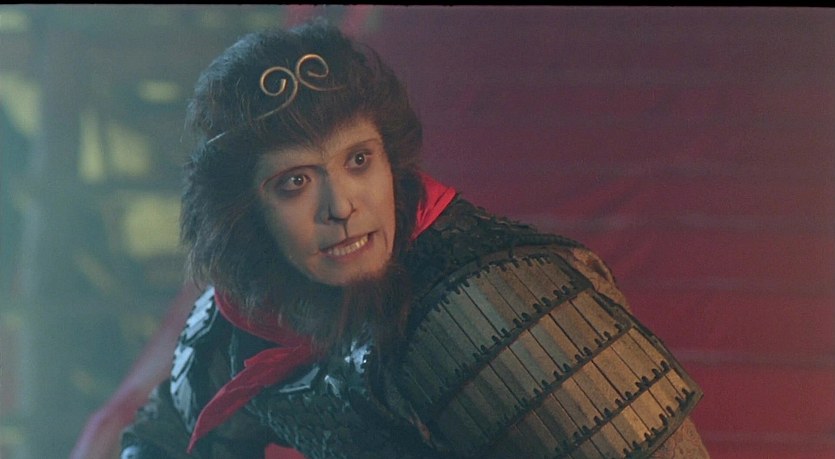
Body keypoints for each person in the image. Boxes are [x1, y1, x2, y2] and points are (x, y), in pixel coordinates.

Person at [120, 19, 711, 458]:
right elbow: (166, 438)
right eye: (295, 182)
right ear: (248, 212)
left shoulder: (490, 305)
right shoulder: (249, 312)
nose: (341, 207)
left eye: (358, 160)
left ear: (390, 161)